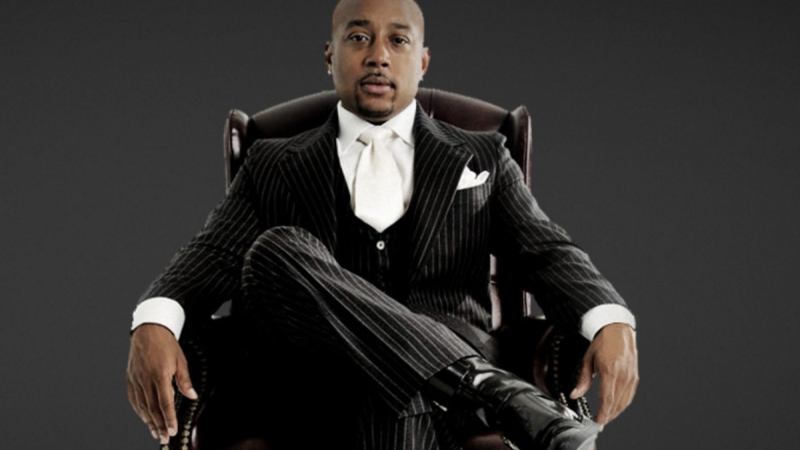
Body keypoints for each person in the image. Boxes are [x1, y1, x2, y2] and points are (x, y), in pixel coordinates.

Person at [126, 0, 639, 448]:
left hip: (438, 391)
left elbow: (545, 251)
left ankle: (462, 382)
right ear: (330, 56)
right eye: (358, 38)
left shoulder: (483, 155)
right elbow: (213, 253)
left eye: (398, 40)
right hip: (314, 380)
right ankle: (490, 389)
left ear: (422, 61)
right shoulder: (271, 162)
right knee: (276, 250)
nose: (378, 55)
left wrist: (609, 318)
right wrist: (154, 321)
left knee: (394, 390)